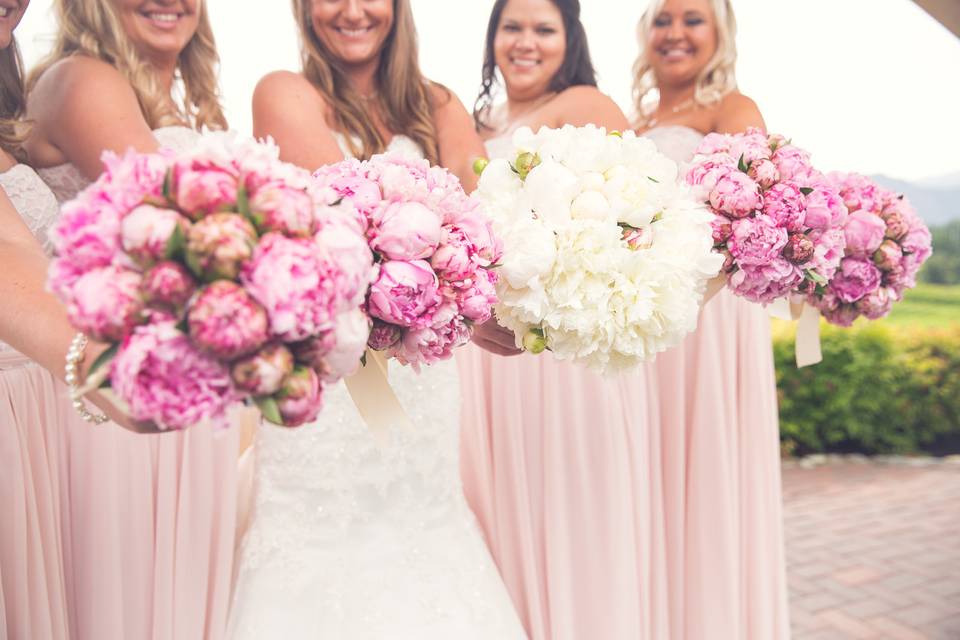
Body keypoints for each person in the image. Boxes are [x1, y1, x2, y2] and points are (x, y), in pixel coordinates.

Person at [226, 1, 526, 637]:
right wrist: (459, 281)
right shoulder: (284, 92)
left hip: (424, 371)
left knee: (425, 525)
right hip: (333, 374)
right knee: (322, 540)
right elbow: (341, 228)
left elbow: (489, 215)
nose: (353, 10)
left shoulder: (436, 102)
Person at [24, 1, 241, 638]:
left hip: (179, 397)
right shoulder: (83, 78)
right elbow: (188, 226)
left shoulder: (187, 100)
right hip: (116, 411)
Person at [458, 1, 671, 638]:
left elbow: (637, 230)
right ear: (493, 36)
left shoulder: (592, 107)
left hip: (562, 357)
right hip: (487, 355)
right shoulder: (479, 121)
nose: (525, 43)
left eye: (543, 29)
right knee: (496, 526)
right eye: (512, 27)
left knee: (572, 516)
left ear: (569, 39)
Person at [634, 1, 790, 637]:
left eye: (692, 18)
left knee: (703, 471)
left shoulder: (732, 109)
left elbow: (764, 215)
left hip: (709, 319)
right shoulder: (635, 118)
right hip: (645, 317)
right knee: (650, 474)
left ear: (719, 32)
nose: (675, 33)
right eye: (662, 19)